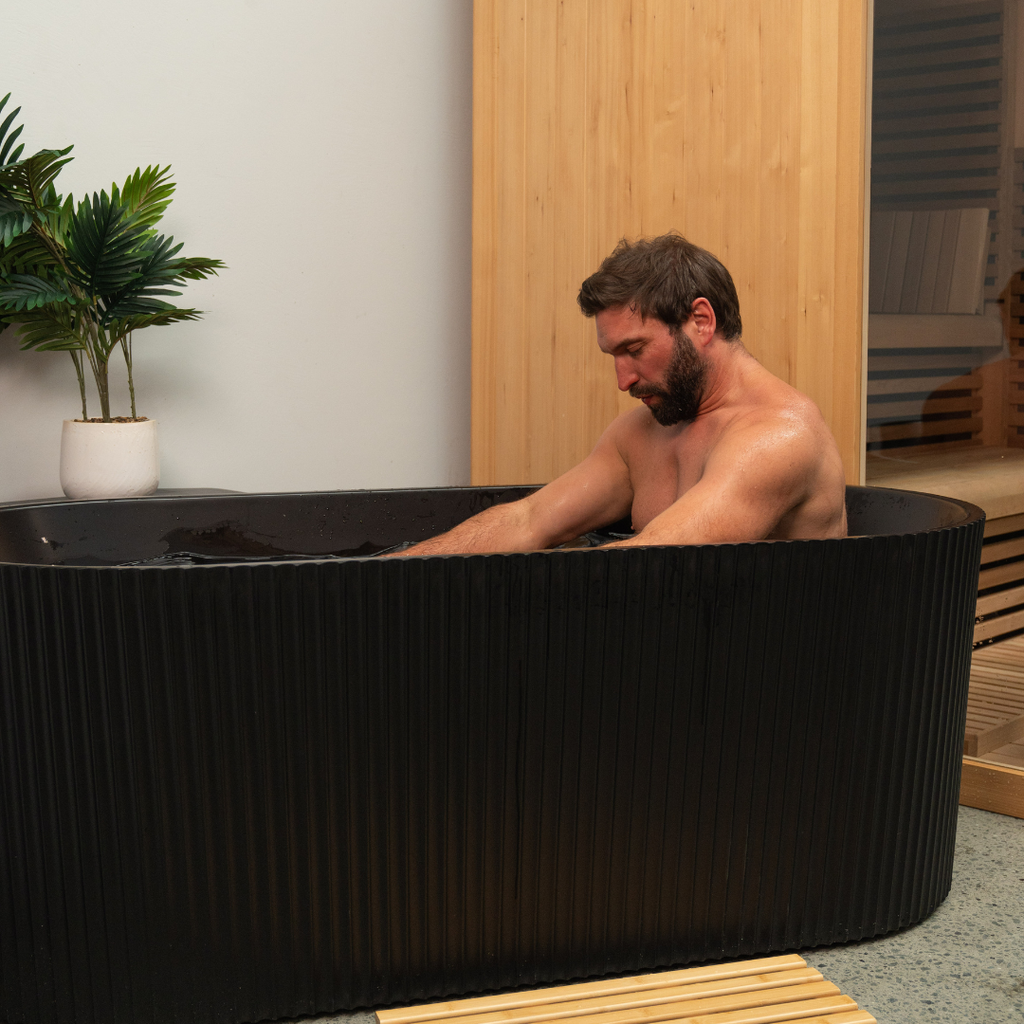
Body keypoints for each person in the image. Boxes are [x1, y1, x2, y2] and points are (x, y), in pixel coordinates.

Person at [386, 232, 847, 556]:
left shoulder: (779, 437)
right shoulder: (641, 435)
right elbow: (529, 521)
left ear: (701, 321)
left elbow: (655, 562)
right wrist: (377, 575)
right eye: (613, 355)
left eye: (635, 349)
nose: (623, 381)